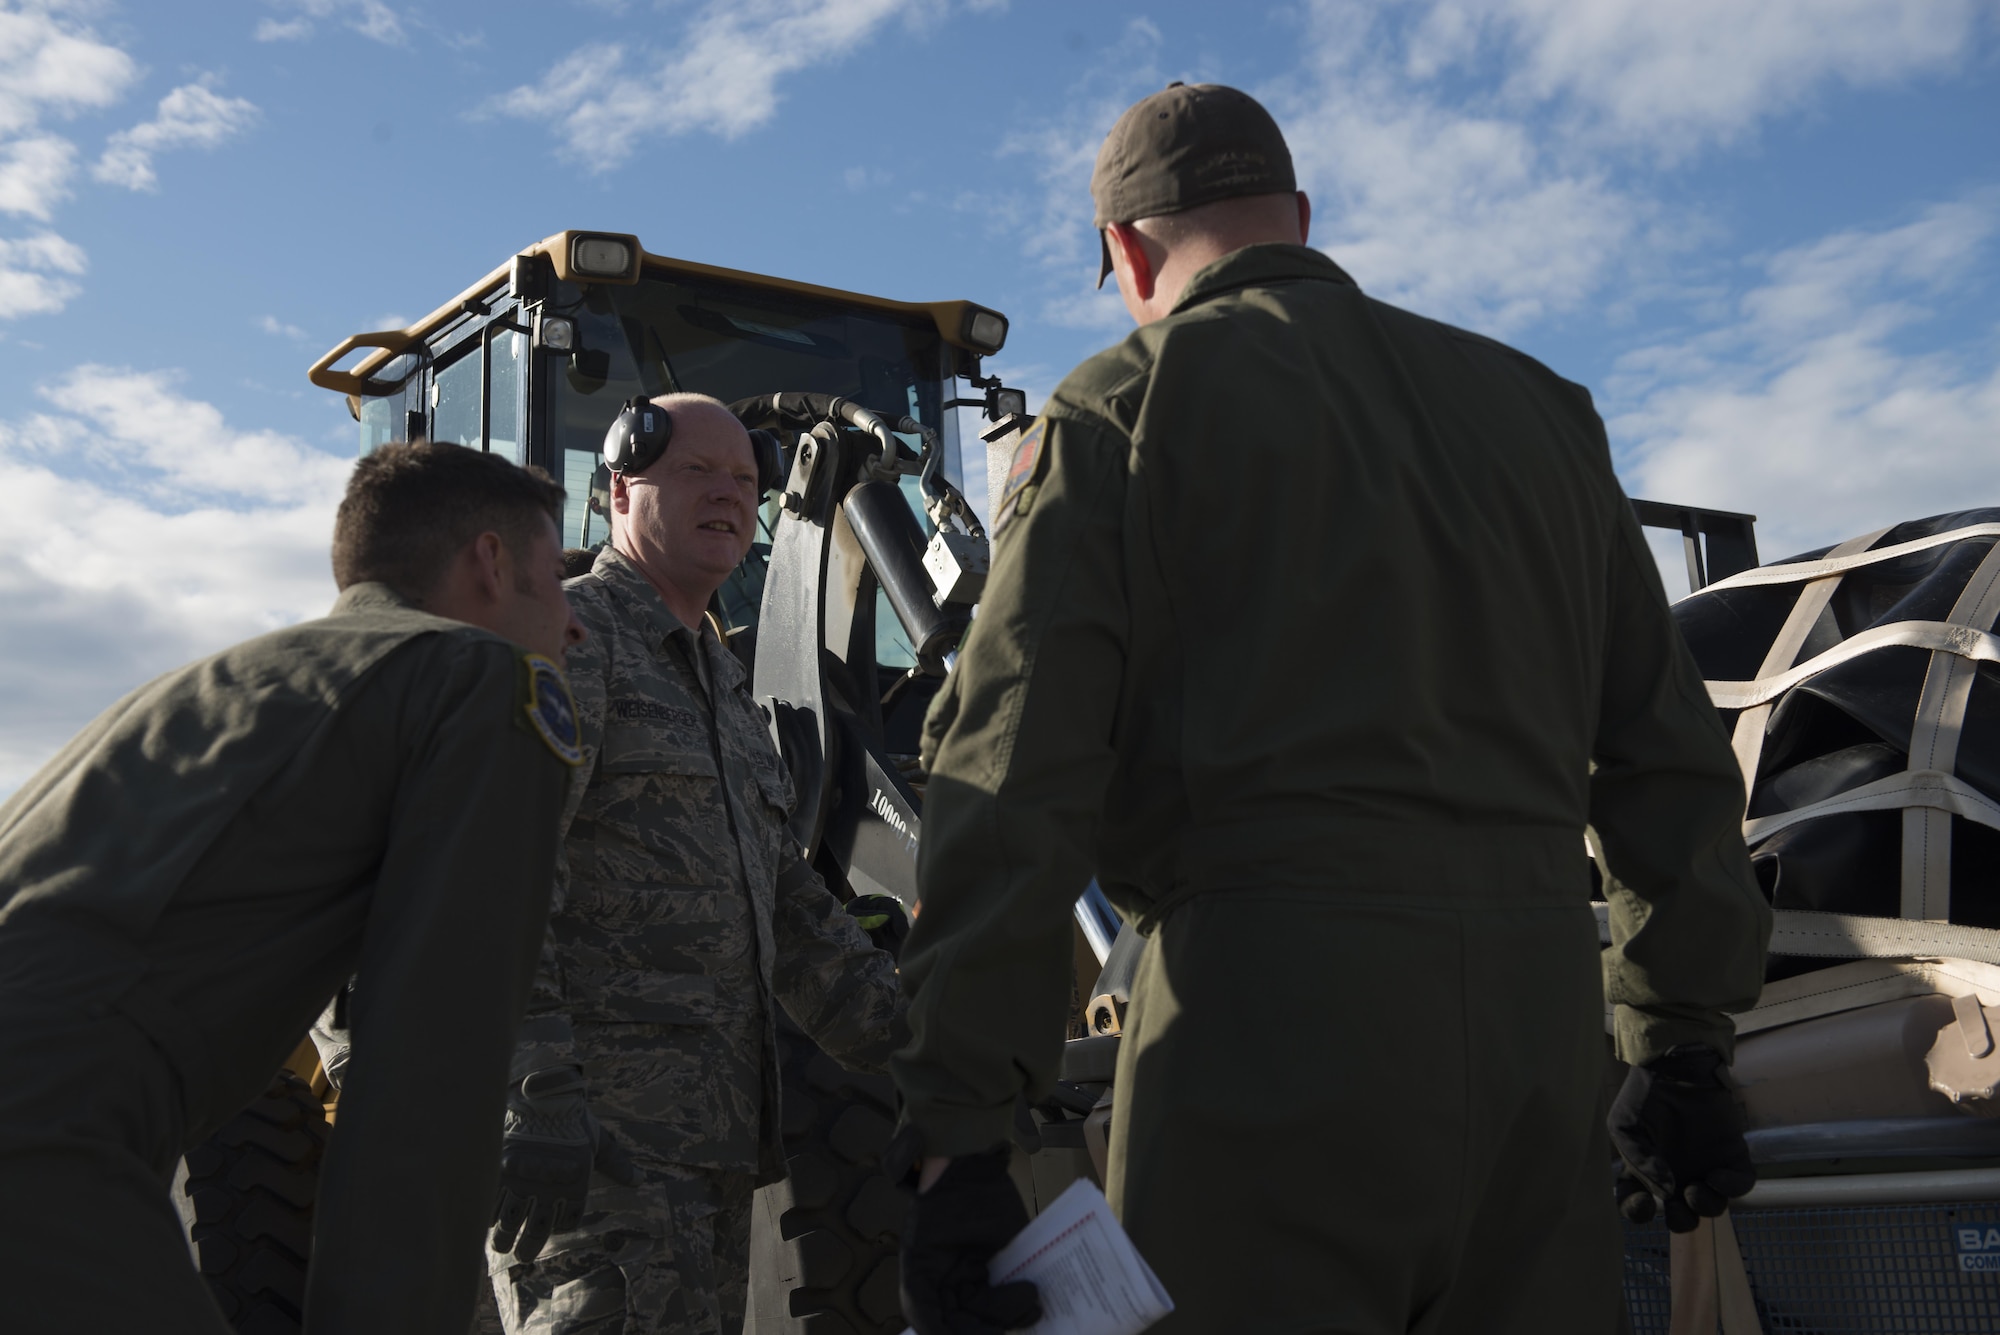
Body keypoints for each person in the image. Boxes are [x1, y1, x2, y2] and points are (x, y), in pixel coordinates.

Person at [889, 82, 1774, 1334]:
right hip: (1536, 1032)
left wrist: (960, 1131)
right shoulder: (1543, 415)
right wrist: (1679, 1037)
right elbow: (1666, 756)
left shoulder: (1119, 408)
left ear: (1126, 251)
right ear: (1296, 218)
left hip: (1265, 1033)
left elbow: (1016, 782)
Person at [0, 441, 588, 1335]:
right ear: (491, 562)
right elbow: (433, 1055)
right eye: (556, 575)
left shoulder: (213, 685)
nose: (575, 624)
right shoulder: (479, 678)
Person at [488, 392, 906, 1335]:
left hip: (701, 1156)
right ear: (621, 489)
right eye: (696, 474)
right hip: (590, 1156)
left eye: (745, 481)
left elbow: (788, 903)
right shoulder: (574, 642)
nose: (729, 495)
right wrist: (534, 1094)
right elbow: (495, 871)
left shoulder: (719, 679)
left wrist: (918, 1043)